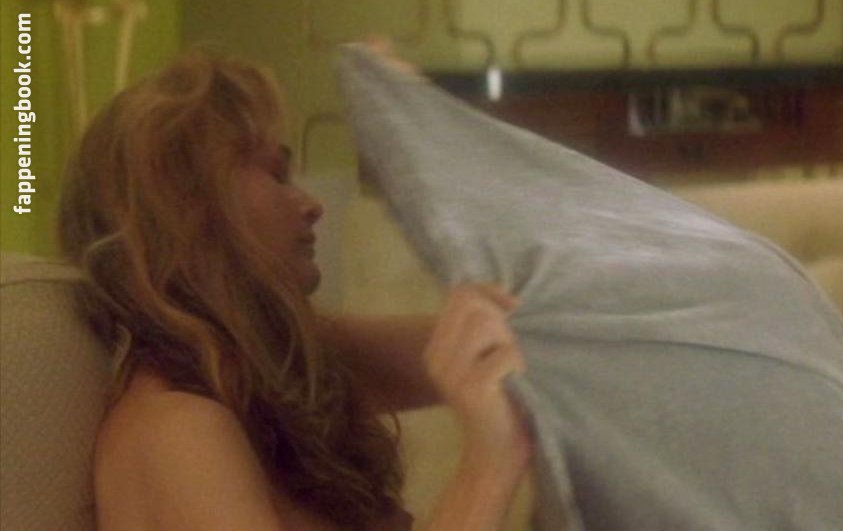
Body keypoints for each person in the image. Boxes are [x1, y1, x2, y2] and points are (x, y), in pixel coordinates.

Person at [56, 49, 531, 531]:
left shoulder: (265, 366)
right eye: (277, 173)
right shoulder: (175, 431)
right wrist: (490, 463)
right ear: (186, 205)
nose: (311, 204)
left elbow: (505, 347)